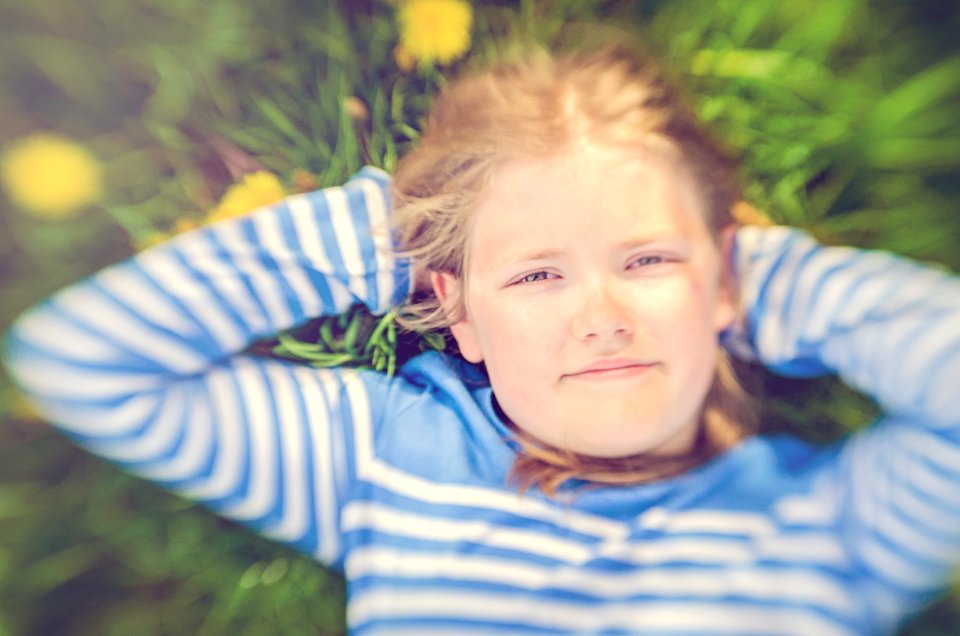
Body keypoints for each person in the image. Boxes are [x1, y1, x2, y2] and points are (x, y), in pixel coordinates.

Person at [4, 44, 960, 635]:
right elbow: (85, 361)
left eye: (650, 263)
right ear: (457, 312)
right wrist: (381, 239)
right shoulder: (383, 465)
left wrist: (781, 286)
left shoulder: (830, 523)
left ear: (722, 280)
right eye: (538, 274)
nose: (601, 316)